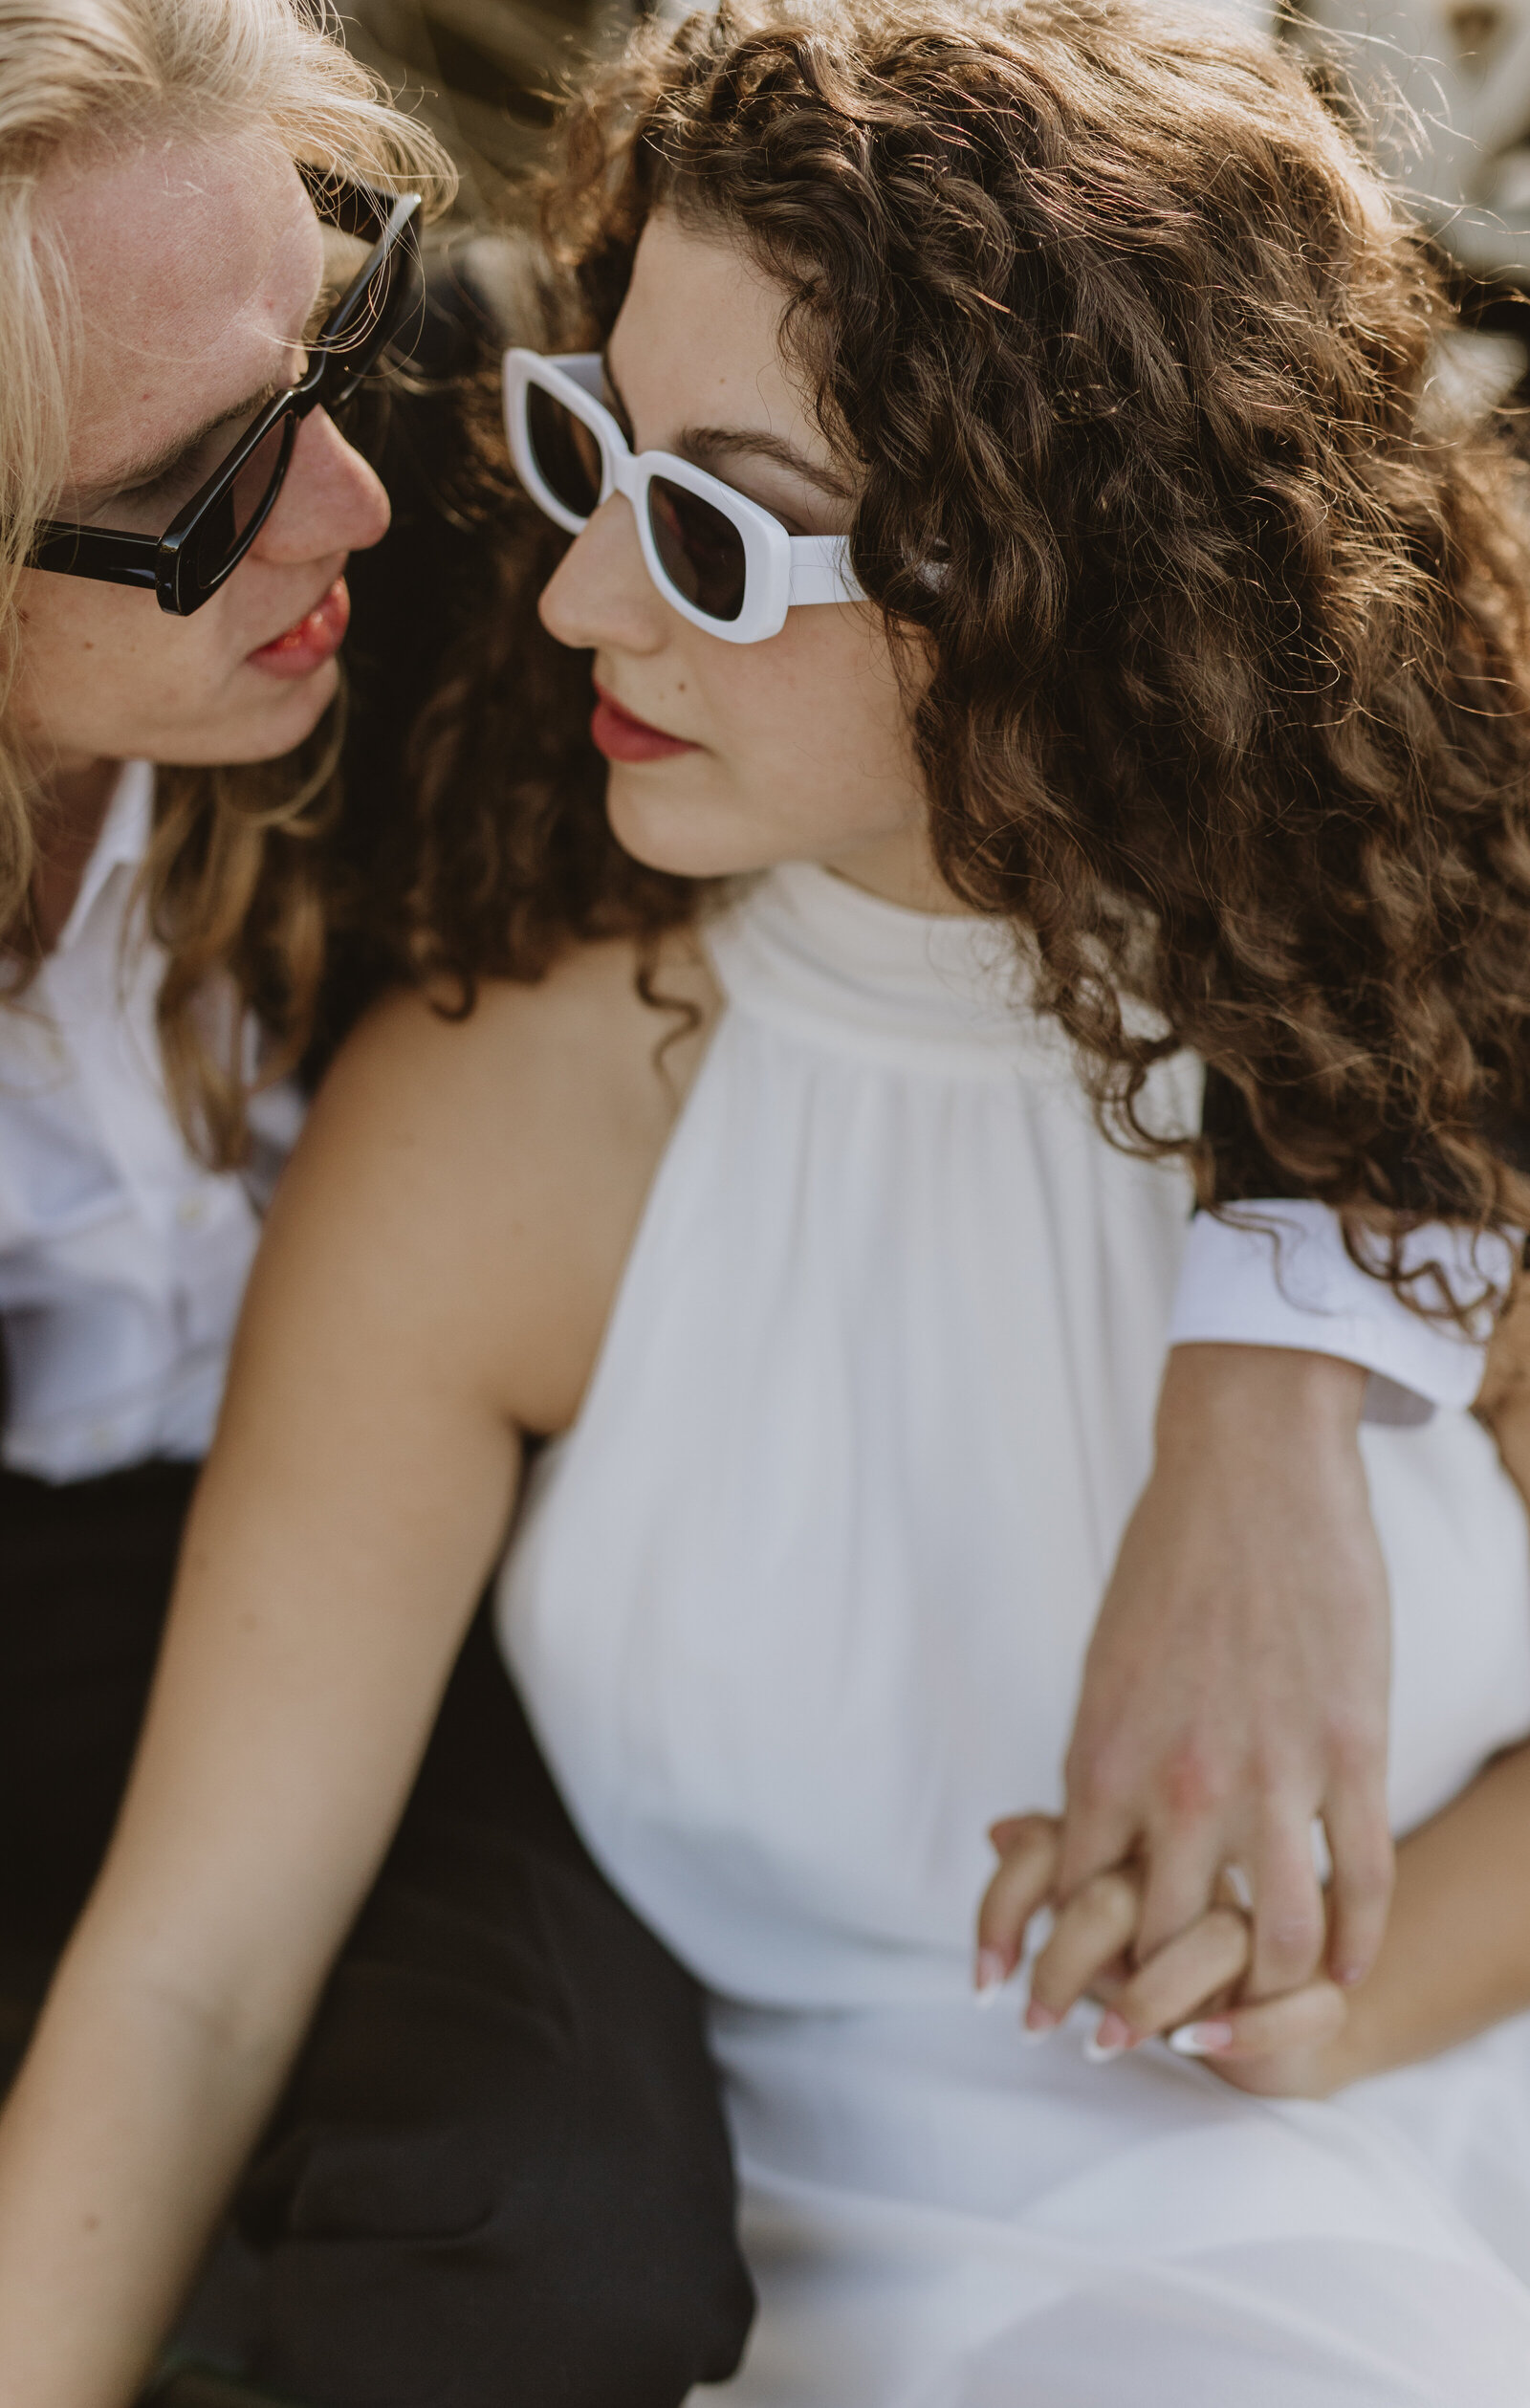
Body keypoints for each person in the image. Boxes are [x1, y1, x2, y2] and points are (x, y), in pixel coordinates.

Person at [9, 1, 1530, 2399]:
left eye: (703, 524)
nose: (560, 591)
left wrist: (1345, 1990)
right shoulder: (511, 1120)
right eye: (592, 453)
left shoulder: (1414, 1039)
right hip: (808, 2258)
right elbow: (193, 1973)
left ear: (1050, 573)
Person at [0, 0, 754, 2397]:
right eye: (205, 483)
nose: (345, 497)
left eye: (323, 327)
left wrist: (1305, 1328)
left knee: (555, 2255)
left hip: (385, 1529)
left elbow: (1177, 723)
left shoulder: (450, 444)